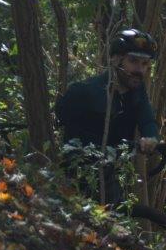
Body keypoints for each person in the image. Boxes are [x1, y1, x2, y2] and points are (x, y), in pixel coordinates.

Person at [56, 28, 160, 205]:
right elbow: (59, 120)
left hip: (109, 174)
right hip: (76, 175)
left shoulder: (137, 92)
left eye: (144, 64)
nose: (140, 70)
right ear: (115, 60)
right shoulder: (85, 91)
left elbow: (147, 119)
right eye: (133, 61)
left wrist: (151, 138)